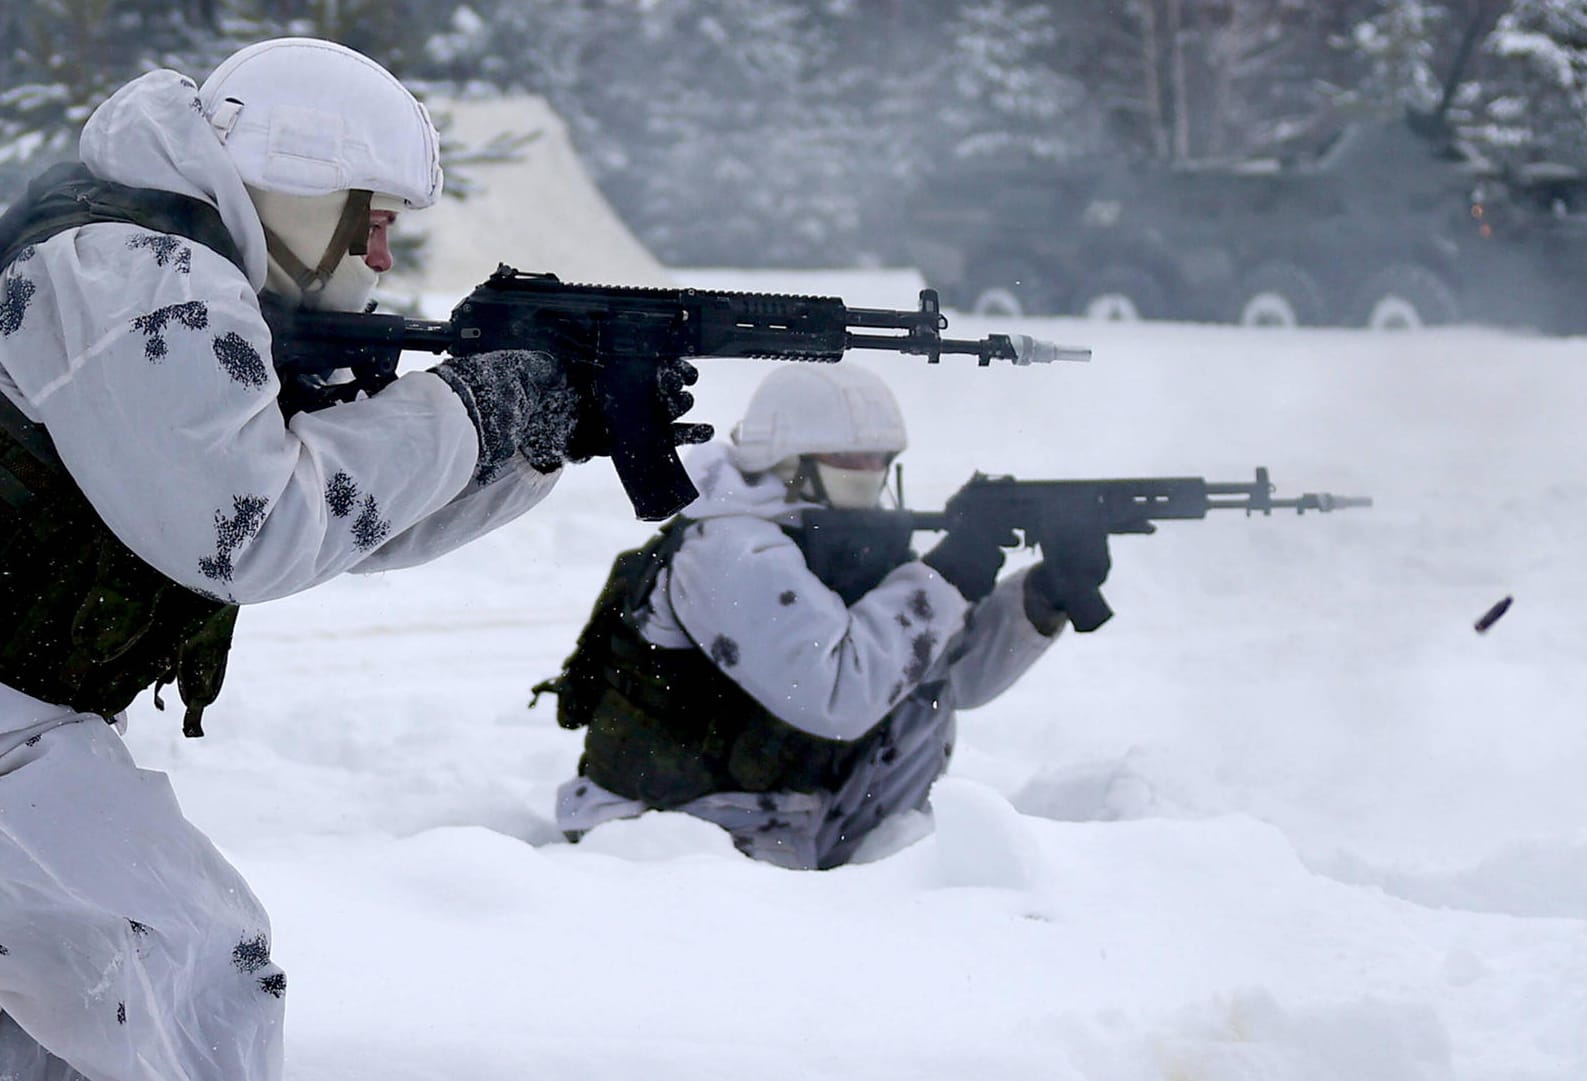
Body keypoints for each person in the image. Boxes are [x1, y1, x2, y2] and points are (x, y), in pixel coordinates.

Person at [0, 38, 697, 1081]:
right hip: (15, 727)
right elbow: (254, 532)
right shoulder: (144, 281)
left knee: (76, 1011)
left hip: (25, 718)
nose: (379, 260)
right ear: (298, 187)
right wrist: (471, 406)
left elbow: (338, 519)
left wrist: (527, 438)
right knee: (187, 974)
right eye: (371, 221)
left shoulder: (161, 270)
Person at [540, 363, 1113, 871]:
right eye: (848, 458)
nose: (867, 470)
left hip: (780, 814)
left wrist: (1040, 599)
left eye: (878, 460)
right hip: (673, 835)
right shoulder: (729, 548)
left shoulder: (829, 535)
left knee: (918, 701)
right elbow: (839, 695)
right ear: (788, 458)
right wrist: (947, 576)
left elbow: (938, 679)